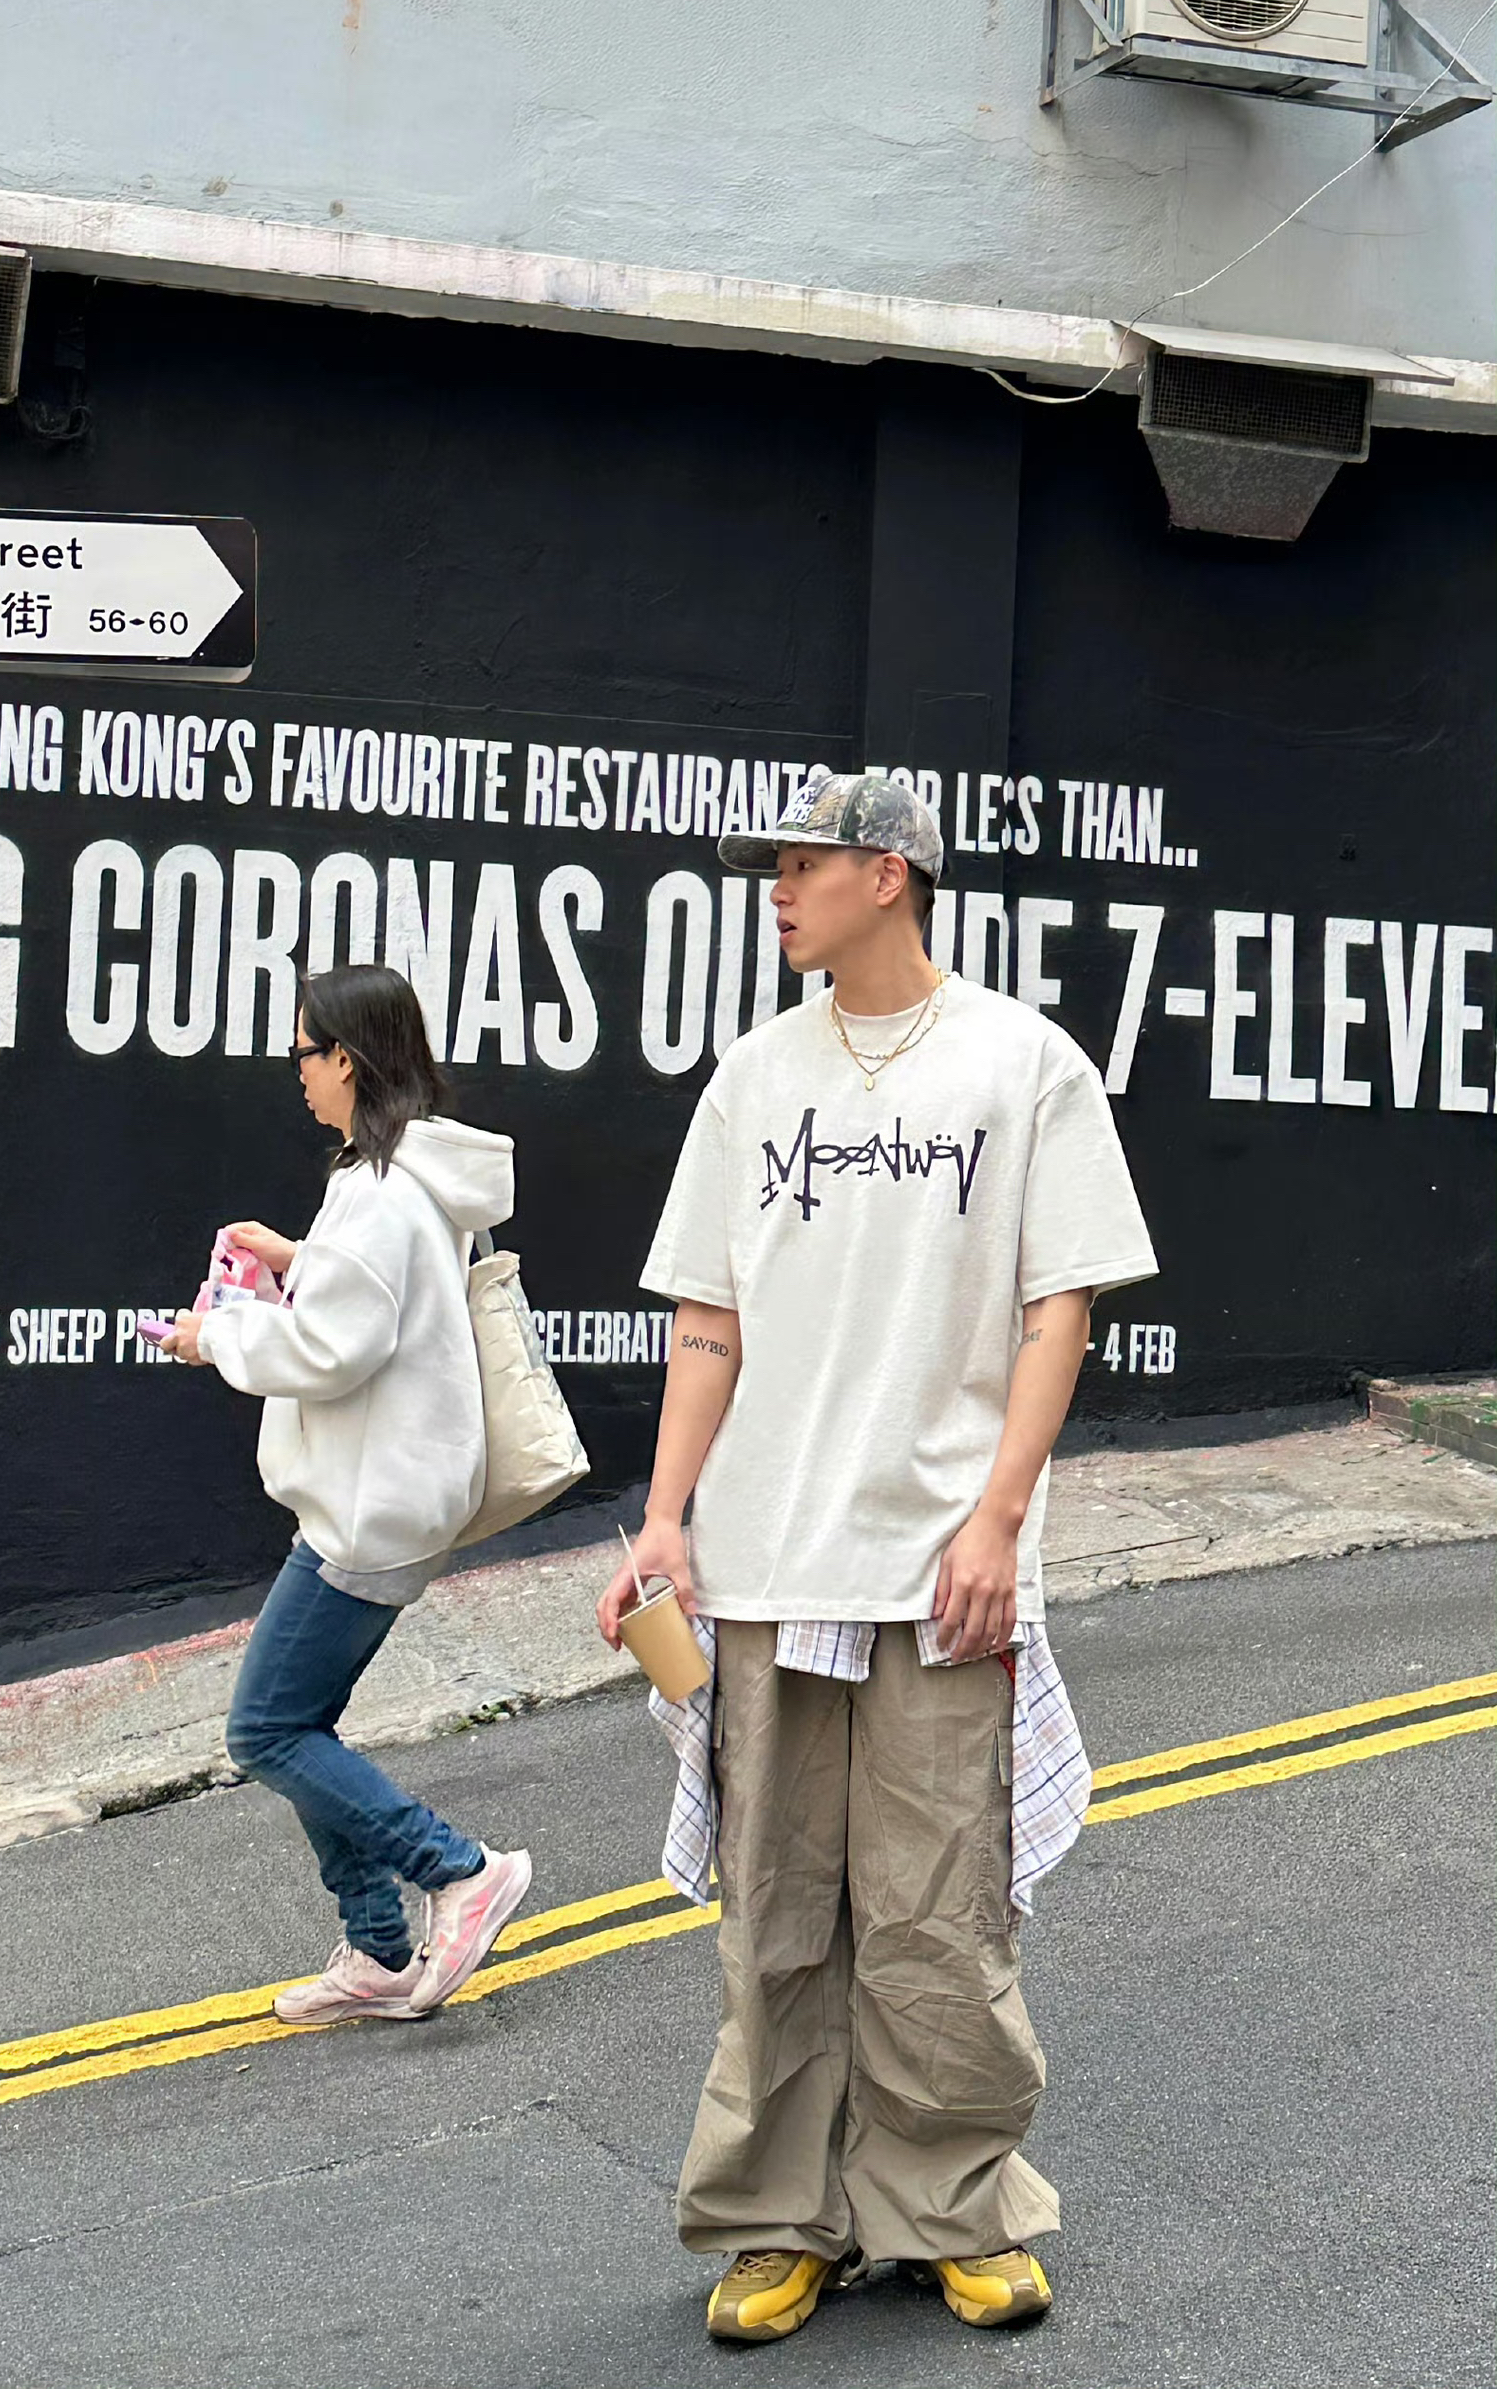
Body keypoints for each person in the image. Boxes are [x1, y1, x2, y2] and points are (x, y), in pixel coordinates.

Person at [598, 771, 1156, 2346]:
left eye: (801, 864)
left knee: (935, 1914)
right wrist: (665, 1517)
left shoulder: (1021, 1064)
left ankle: (952, 2206)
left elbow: (1058, 1309)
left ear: (890, 873)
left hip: (934, 1562)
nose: (775, 891)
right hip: (766, 1561)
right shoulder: (753, 1076)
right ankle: (778, 2223)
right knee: (773, 1916)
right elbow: (707, 1318)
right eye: (770, 868)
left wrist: (997, 1519)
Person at [166, 962, 532, 2026]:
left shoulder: (374, 1191)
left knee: (265, 1731)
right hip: (385, 1496)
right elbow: (371, 1301)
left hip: (369, 1510)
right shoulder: (402, 1178)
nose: (296, 1072)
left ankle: (459, 1871)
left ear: (348, 1059)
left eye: (304, 1053)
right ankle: (377, 1949)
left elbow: (332, 1348)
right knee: (301, 1722)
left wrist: (214, 1334)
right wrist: (299, 1257)